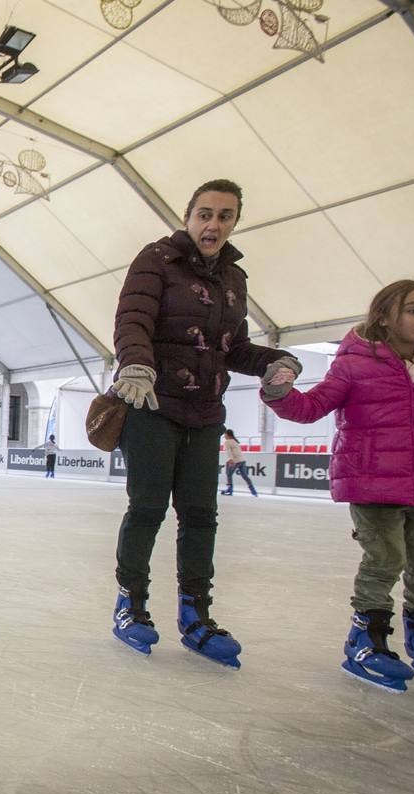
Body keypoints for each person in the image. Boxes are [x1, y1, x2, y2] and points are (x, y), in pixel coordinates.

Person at [108, 178, 300, 668]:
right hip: (152, 406)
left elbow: (232, 348)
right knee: (147, 510)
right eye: (206, 214)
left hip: (206, 413)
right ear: (188, 216)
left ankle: (196, 613)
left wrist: (274, 360)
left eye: (226, 216)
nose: (214, 224)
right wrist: (135, 362)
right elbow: (133, 319)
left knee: (200, 516)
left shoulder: (234, 279)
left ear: (235, 221)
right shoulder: (156, 260)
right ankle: (131, 604)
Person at [264, 280, 414, 692]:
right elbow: (311, 407)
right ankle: (366, 640)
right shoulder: (355, 362)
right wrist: (279, 393)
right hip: (371, 480)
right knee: (385, 559)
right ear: (384, 315)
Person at [220, 428, 257, 496]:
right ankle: (253, 490)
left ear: (228, 435)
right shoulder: (235, 441)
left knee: (229, 474)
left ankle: (230, 490)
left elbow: (229, 452)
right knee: (245, 476)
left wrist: (231, 459)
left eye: (225, 434)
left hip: (235, 460)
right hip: (242, 460)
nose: (224, 436)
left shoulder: (227, 442)